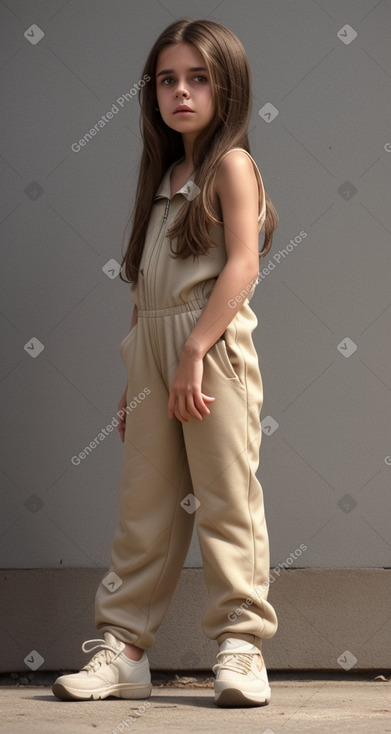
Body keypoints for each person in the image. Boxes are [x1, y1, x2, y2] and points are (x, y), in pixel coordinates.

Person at [52, 17, 279, 708]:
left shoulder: (231, 165)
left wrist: (192, 351)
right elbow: (144, 283)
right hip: (154, 350)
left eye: (198, 78)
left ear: (226, 87)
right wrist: (136, 378)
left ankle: (241, 648)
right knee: (144, 505)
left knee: (224, 497)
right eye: (166, 80)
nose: (180, 91)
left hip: (207, 347)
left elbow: (242, 263)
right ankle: (123, 648)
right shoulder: (165, 174)